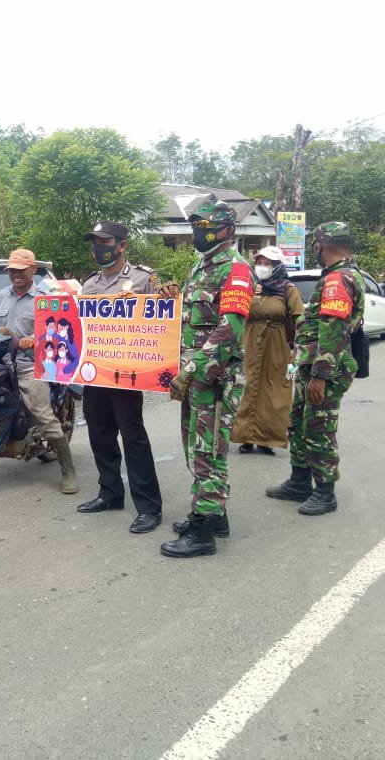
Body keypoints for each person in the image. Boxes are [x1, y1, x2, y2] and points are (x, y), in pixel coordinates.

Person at [162, 201, 253, 557]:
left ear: (229, 230)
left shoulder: (237, 270)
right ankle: (215, 514)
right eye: (197, 225)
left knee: (207, 450)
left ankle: (203, 533)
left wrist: (189, 370)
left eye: (208, 226)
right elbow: (197, 317)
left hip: (214, 378)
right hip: (196, 378)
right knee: (196, 447)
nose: (200, 232)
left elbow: (229, 327)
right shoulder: (202, 264)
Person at [266, 221, 364, 516]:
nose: (315, 251)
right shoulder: (333, 276)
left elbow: (333, 330)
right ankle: (299, 481)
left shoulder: (338, 279)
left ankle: (324, 491)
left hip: (326, 370)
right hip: (310, 366)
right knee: (298, 423)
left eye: (316, 245)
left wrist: (320, 376)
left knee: (319, 428)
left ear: (324, 245)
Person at [75, 220, 166, 534]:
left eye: (106, 242)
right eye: (95, 242)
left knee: (133, 438)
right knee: (99, 435)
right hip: (95, 374)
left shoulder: (144, 279)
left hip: (128, 376)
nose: (100, 248)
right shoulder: (88, 285)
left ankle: (149, 507)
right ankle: (110, 493)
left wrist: (156, 299)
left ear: (122, 245)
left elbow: (165, 319)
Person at [0, 248, 78, 494]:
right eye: (12, 270)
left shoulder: (45, 297)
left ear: (33, 270)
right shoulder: (1, 295)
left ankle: (68, 470)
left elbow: (57, 328)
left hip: (28, 366)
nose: (16, 275)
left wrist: (35, 338)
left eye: (21, 270)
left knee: (44, 416)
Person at [232, 246, 305, 455]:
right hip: (250, 342)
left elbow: (299, 318)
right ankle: (245, 437)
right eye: (260, 263)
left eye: (268, 264)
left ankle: (267, 439)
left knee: (276, 389)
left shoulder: (287, 289)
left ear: (278, 266)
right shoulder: (251, 287)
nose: (262, 267)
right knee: (247, 385)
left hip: (279, 345)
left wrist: (298, 350)